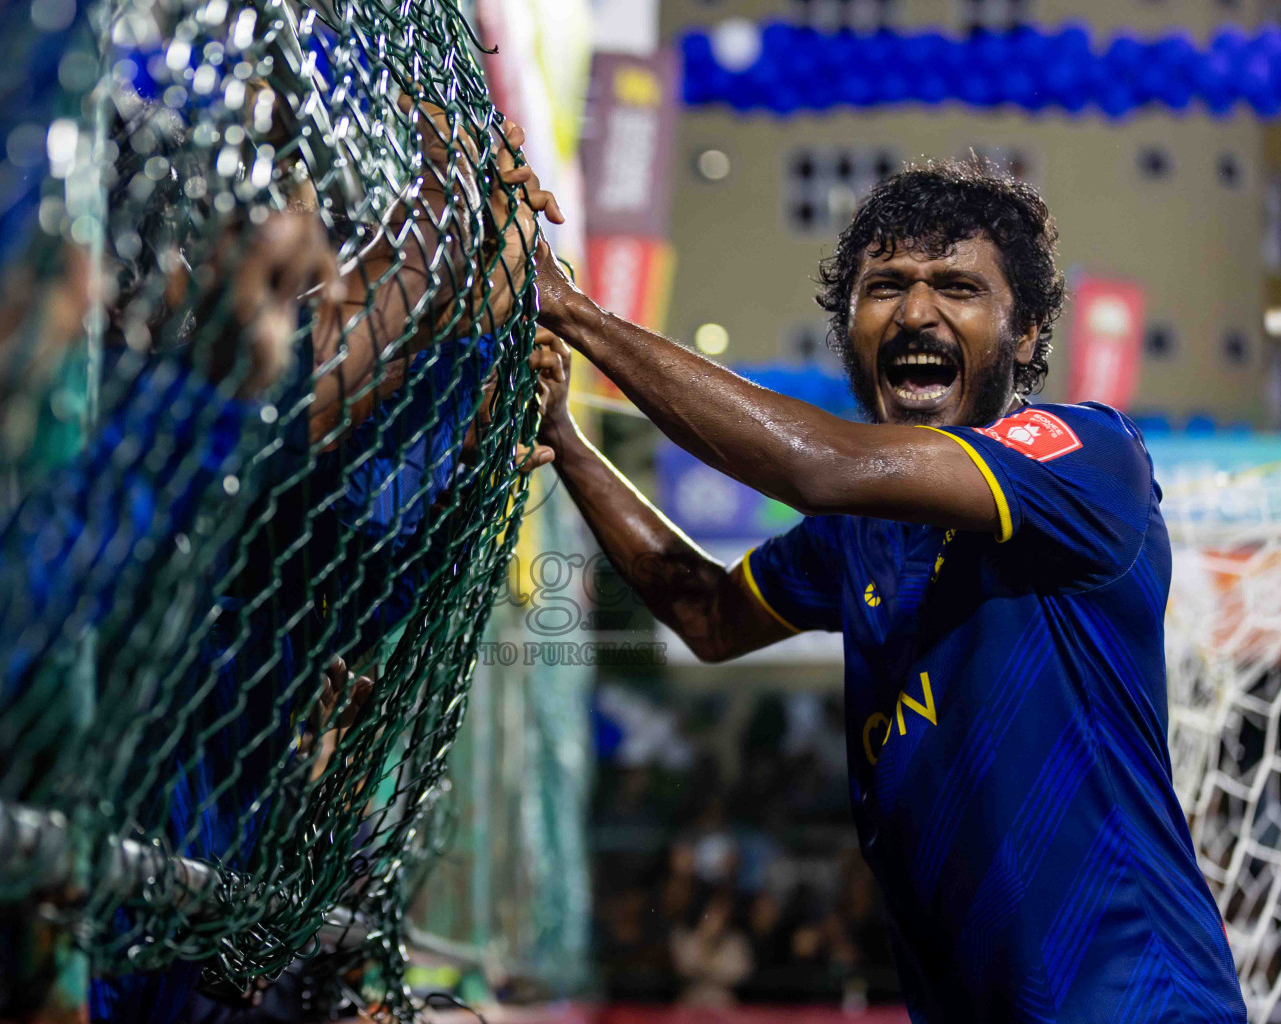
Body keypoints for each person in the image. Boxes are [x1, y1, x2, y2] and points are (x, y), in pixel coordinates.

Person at [524, 160, 1247, 1022]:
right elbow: (708, 617)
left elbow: (819, 465)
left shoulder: (1087, 460)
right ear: (850, 327)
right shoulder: (860, 536)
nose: (915, 311)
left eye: (957, 286)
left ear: (1026, 332)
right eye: (886, 286)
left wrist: (569, 310)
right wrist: (564, 438)